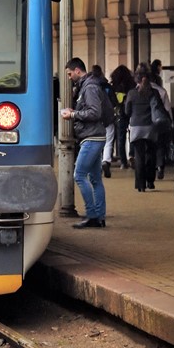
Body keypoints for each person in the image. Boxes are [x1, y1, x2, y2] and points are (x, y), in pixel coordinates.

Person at [61, 57, 108, 228]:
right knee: (95, 178)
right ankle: (99, 216)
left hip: (92, 137)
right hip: (95, 136)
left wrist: (73, 115)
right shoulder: (90, 85)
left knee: (79, 175)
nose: (69, 77)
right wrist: (77, 111)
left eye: (69, 73)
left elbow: (94, 112)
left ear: (77, 71)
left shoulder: (89, 87)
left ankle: (92, 215)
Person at [124, 68, 168, 192]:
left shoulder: (132, 93)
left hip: (136, 127)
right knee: (151, 154)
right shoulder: (154, 92)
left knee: (139, 156)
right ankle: (150, 181)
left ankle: (140, 184)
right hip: (151, 127)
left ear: (136, 80)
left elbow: (127, 111)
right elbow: (159, 109)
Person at [93, 64, 118, 177]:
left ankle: (97, 164)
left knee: (96, 141)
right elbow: (114, 102)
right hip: (108, 118)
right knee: (108, 141)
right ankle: (106, 161)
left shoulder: (90, 86)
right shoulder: (107, 86)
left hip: (95, 119)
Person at [149, 60, 173, 178]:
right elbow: (168, 108)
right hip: (160, 121)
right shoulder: (162, 91)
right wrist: (171, 121)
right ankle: (160, 166)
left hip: (146, 123)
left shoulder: (139, 91)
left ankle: (151, 168)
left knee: (149, 147)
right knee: (160, 145)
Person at [109, 64, 135, 170]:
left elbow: (113, 101)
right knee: (132, 135)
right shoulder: (131, 85)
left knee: (121, 137)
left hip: (119, 113)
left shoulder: (114, 87)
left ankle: (123, 162)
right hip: (132, 112)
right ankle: (132, 155)